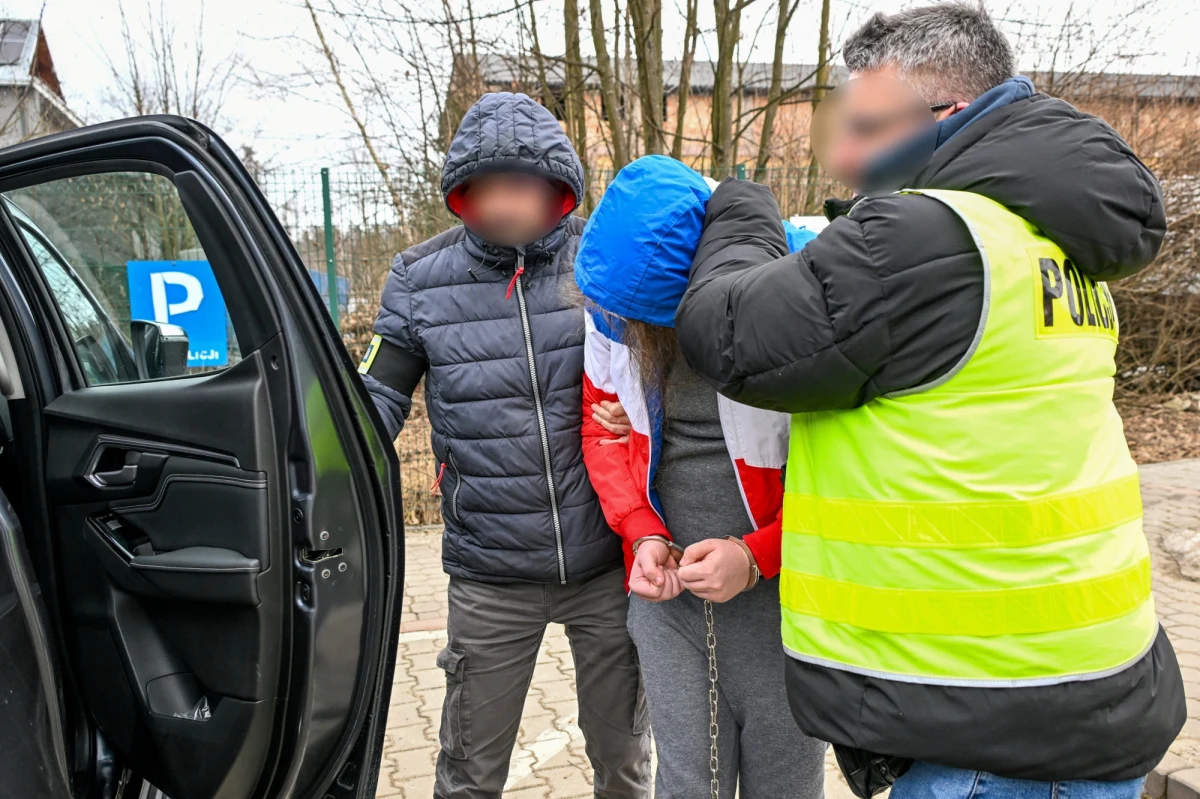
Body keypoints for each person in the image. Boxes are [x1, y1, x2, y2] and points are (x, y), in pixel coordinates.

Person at [672, 4, 1186, 799]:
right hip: (1079, 683)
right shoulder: (1048, 238)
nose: (844, 159)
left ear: (945, 113)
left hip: (992, 725)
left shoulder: (923, 237)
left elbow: (730, 335)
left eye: (866, 130)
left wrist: (742, 213)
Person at [360, 91, 651, 799]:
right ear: (463, 191)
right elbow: (375, 399)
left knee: (625, 761)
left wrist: (642, 411)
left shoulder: (602, 262)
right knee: (468, 771)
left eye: (519, 185)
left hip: (606, 561)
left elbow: (663, 367)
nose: (501, 203)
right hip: (490, 570)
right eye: (486, 187)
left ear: (557, 190)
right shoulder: (418, 279)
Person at [576, 155, 826, 799]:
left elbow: (856, 480)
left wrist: (758, 554)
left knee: (786, 782)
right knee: (686, 782)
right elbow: (600, 430)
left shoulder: (798, 298)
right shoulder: (613, 302)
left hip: (786, 599)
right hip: (670, 605)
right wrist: (641, 532)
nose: (630, 335)